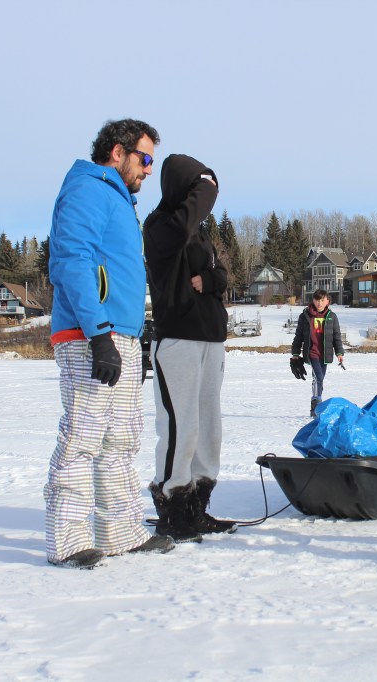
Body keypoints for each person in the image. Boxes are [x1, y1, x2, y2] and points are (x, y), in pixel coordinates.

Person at [44, 118, 175, 569]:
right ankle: (67, 540)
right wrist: (99, 334)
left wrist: (133, 333)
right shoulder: (88, 189)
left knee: (120, 439)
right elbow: (71, 260)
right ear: (117, 152)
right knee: (83, 436)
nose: (149, 169)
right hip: (89, 334)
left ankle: (120, 533)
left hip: (121, 334)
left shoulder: (118, 199)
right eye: (145, 158)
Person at [143, 154, 236, 542]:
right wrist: (207, 185)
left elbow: (222, 275)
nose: (208, 193)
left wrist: (209, 280)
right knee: (180, 426)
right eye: (199, 186)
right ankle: (173, 508)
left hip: (211, 338)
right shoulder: (160, 226)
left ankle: (197, 506)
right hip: (177, 339)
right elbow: (182, 224)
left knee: (208, 428)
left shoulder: (199, 234)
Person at [290, 289, 345, 417]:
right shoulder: (305, 316)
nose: (319, 303)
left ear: (327, 301)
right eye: (317, 300)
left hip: (325, 354)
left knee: (320, 380)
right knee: (318, 378)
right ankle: (316, 404)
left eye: (322, 300)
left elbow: (336, 336)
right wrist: (295, 353)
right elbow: (298, 336)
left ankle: (317, 405)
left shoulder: (332, 317)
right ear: (313, 301)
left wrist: (339, 352)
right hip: (312, 353)